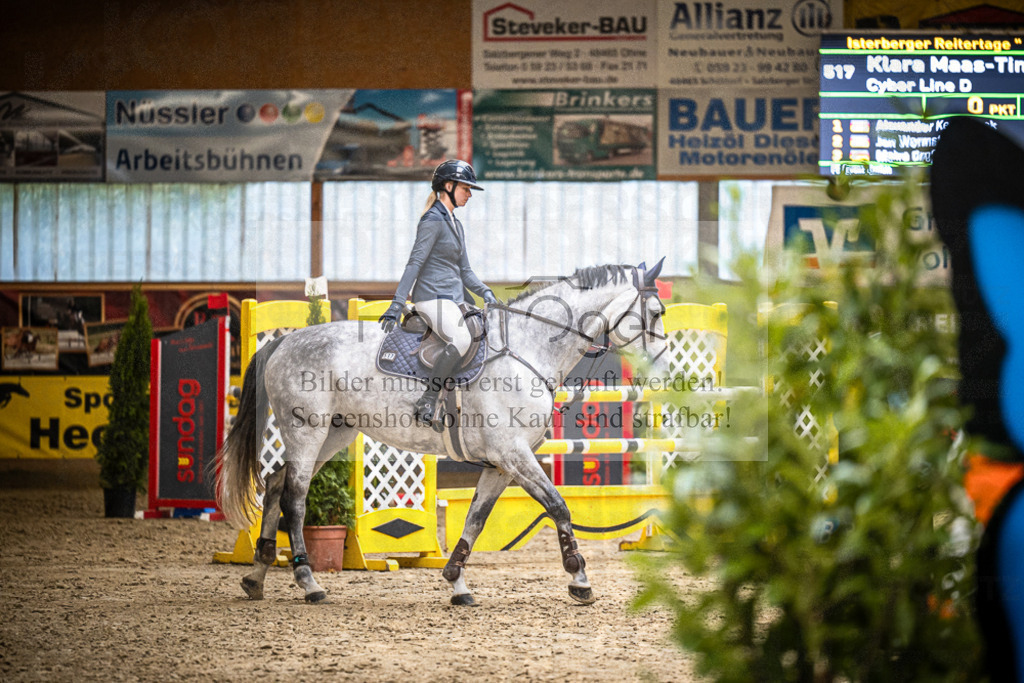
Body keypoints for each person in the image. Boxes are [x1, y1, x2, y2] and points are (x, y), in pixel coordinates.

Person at [379, 159, 498, 428]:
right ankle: (428, 399)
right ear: (448, 186)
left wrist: (486, 292)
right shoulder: (432, 220)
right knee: (462, 339)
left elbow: (465, 271)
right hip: (431, 298)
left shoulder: (456, 224)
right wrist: (397, 304)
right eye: (466, 188)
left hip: (454, 299)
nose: (469, 194)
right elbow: (414, 263)